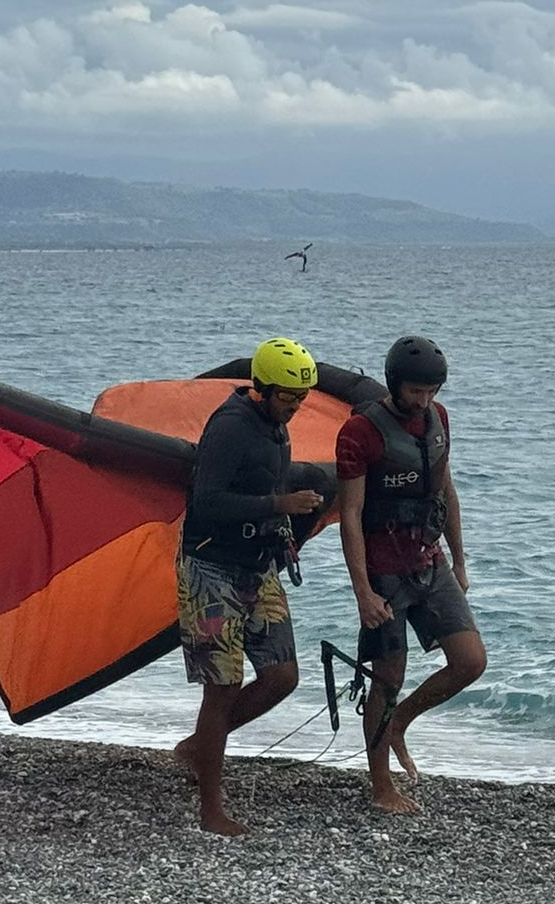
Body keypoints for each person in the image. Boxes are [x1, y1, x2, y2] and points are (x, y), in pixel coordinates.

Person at [174, 337, 326, 836]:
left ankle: (198, 748)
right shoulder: (231, 426)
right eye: (288, 396)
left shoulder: (275, 425)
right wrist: (279, 505)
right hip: (211, 568)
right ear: (263, 387)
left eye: (302, 397)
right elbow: (207, 501)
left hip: (258, 565)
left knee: (282, 676)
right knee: (222, 689)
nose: (296, 405)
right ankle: (211, 811)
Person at [336, 334, 486, 815]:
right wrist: (362, 592)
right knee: (388, 676)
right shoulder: (360, 432)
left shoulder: (437, 419)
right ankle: (381, 786)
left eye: (432, 391)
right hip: (383, 568)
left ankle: (399, 722)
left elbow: (446, 490)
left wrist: (459, 560)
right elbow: (350, 515)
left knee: (470, 661)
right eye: (416, 391)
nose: (424, 400)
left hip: (429, 558)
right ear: (394, 383)